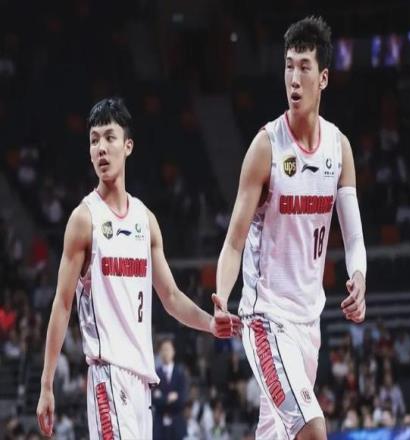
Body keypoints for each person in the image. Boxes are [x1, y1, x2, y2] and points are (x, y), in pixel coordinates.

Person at [36, 97, 241, 439]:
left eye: (109, 138)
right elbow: (62, 303)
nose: (101, 148)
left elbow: (171, 296)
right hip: (107, 374)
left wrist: (209, 323)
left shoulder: (145, 220)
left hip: (142, 382)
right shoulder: (84, 219)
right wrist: (46, 384)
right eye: (94, 140)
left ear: (128, 146)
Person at [213, 16, 367, 439]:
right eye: (288, 66)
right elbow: (234, 242)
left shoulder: (339, 148)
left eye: (303, 67)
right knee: (313, 429)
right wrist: (222, 298)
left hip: (308, 323)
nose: (294, 79)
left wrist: (359, 277)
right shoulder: (265, 147)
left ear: (323, 78)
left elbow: (354, 237)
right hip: (265, 319)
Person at [152, 338, 188, 440]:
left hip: (177, 424)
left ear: (173, 351)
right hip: (160, 425)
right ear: (160, 352)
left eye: (168, 349)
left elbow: (182, 399)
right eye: (163, 349)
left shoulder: (180, 373)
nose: (166, 352)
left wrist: (162, 397)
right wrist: (168, 398)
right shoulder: (155, 374)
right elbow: (154, 400)